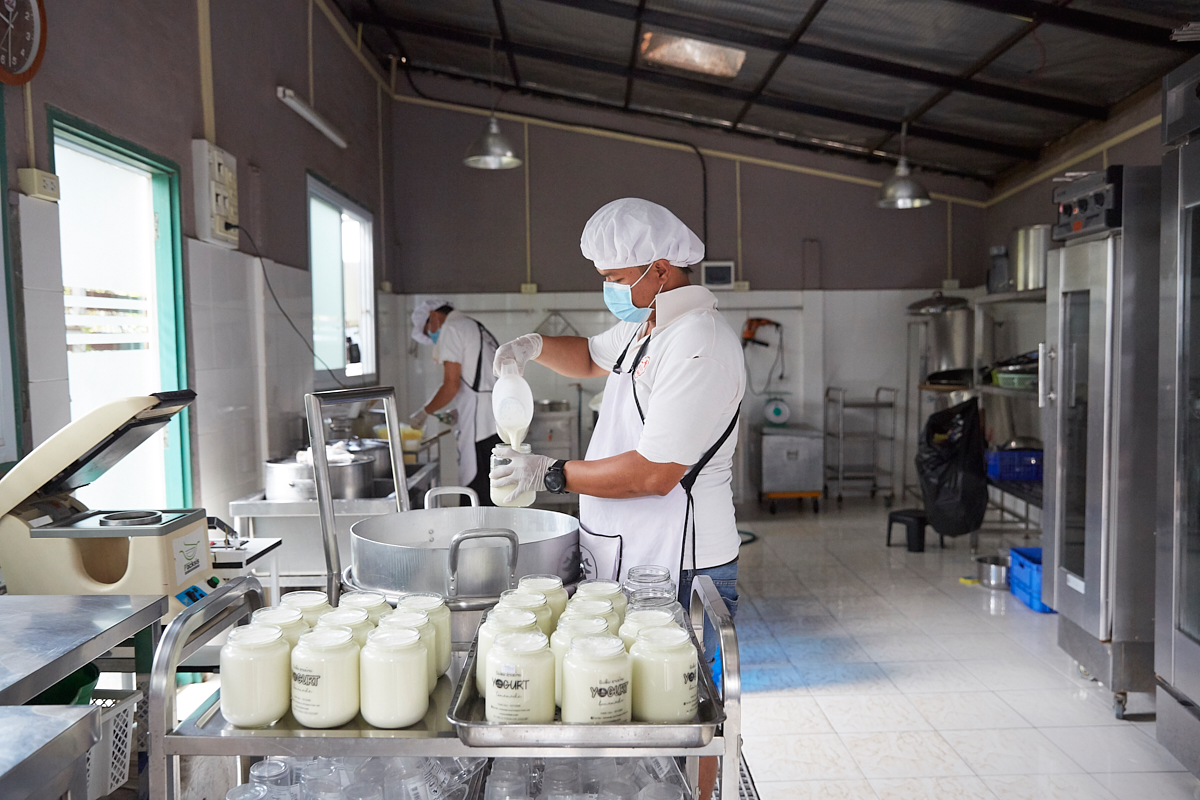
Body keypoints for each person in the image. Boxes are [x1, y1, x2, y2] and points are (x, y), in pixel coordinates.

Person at [489, 196, 745, 619]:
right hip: (635, 544)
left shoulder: (698, 343)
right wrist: (531, 347)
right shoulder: (646, 325)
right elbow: (590, 356)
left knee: (681, 683)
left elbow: (654, 472)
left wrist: (548, 473)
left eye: (615, 277)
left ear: (660, 269)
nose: (609, 289)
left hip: (682, 561)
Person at [409, 298, 503, 504]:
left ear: (433, 316)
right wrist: (458, 412)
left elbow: (451, 385)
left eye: (428, 331)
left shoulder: (452, 328)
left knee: (476, 496)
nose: (432, 338)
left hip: (482, 427)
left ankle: (477, 537)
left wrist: (424, 413)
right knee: (494, 494)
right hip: (496, 420)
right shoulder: (474, 326)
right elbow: (481, 382)